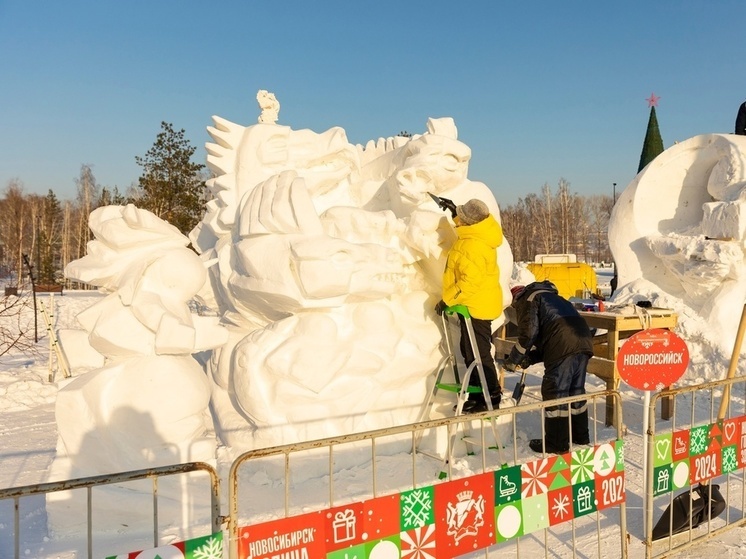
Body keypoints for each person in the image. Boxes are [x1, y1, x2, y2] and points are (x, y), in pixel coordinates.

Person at [504, 280, 594, 453]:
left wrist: (513, 360)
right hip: (583, 339)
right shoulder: (553, 297)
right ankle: (580, 436)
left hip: (563, 342)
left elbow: (528, 334)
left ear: (515, 297)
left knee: (555, 391)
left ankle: (556, 443)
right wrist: (529, 358)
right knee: (575, 390)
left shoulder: (527, 300)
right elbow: (551, 336)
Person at [435, 198, 503, 413]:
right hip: (476, 304)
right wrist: (456, 212)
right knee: (470, 351)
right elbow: (467, 229)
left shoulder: (473, 245)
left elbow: (469, 282)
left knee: (478, 354)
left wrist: (448, 300)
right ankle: (477, 393)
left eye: (462, 218)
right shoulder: (478, 234)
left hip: (476, 306)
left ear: (469, 222)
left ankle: (491, 396)